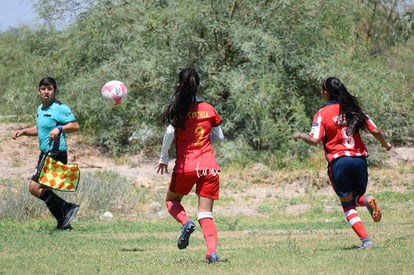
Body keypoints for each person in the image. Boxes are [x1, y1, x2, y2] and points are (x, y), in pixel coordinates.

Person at [292, 77, 391, 249]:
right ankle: (366, 200)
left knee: (347, 204)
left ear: (325, 93)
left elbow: (315, 140)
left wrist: (301, 135)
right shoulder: (355, 110)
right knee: (356, 197)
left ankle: (366, 241)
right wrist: (385, 144)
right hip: (359, 159)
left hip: (339, 162)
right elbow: (375, 129)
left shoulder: (322, 114)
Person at [155, 68, 224, 263]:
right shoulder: (209, 109)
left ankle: (186, 222)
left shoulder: (177, 109)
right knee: (206, 214)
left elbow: (169, 133)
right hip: (209, 167)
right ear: (198, 85)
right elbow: (220, 136)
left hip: (186, 165)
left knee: (171, 201)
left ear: (179, 85)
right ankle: (211, 252)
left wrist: (163, 158)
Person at [13, 76, 81, 230]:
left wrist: (60, 128)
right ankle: (64, 223)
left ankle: (67, 207)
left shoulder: (60, 108)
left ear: (55, 91)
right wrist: (24, 131)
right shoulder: (40, 109)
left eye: (49, 89)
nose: (46, 92)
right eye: (43, 89)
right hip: (45, 152)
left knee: (34, 188)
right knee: (47, 190)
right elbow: (40, 128)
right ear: (39, 91)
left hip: (55, 152)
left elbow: (75, 126)